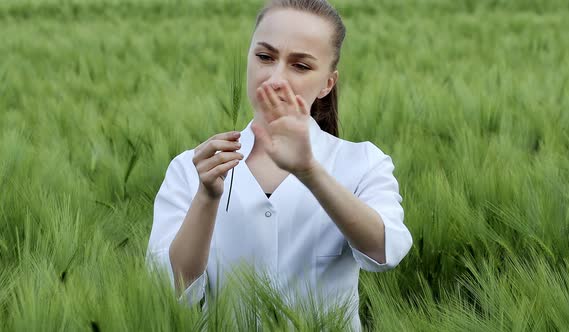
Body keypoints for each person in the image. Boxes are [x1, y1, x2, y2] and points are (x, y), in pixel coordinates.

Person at [146, 0, 412, 330]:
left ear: (327, 83)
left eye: (300, 66)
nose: (275, 78)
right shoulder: (192, 168)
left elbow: (386, 252)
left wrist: (311, 173)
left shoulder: (363, 162)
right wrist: (207, 197)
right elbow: (170, 289)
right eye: (264, 57)